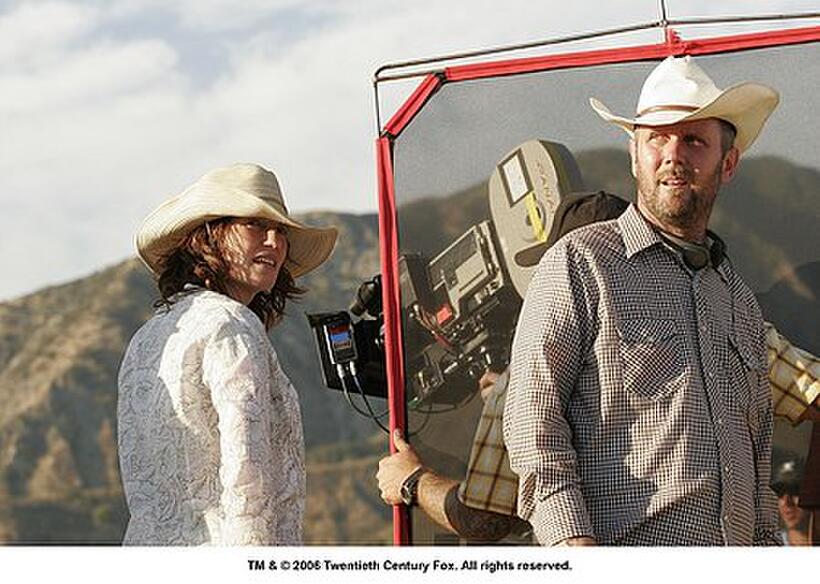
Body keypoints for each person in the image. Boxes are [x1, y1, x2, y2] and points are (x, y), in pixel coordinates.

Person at [377, 191, 819, 543]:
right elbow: (811, 389)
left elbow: (486, 519)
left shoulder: (522, 379)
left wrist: (413, 481)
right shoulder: (727, 317)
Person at [503, 54, 783, 546]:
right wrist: (573, 547)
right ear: (634, 155)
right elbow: (532, 416)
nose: (673, 154)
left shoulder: (738, 299)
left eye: (694, 140)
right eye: (656, 137)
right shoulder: (581, 263)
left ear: (728, 163)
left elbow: (758, 461)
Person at [117, 163, 337, 545]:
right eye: (255, 224)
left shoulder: (145, 338)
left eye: (281, 231)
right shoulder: (232, 323)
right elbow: (246, 473)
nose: (275, 241)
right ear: (208, 237)